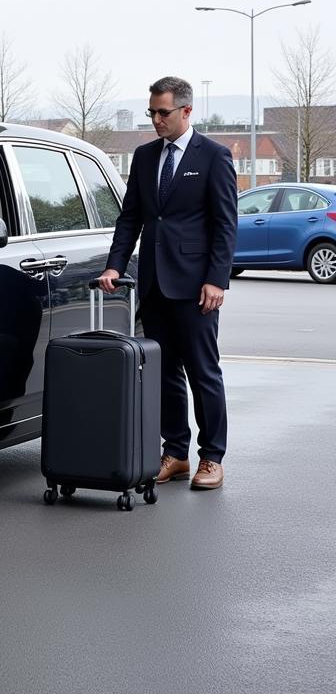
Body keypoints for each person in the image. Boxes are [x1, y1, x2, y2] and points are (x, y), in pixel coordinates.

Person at [97, 76, 237, 490]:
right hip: (154, 283)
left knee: (202, 373)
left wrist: (216, 279)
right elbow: (132, 219)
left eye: (163, 113)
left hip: (197, 288)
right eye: (152, 113)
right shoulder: (143, 157)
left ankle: (212, 457)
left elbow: (225, 224)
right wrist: (114, 266)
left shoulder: (214, 156)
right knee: (164, 373)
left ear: (186, 111)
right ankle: (175, 451)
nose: (156, 120)